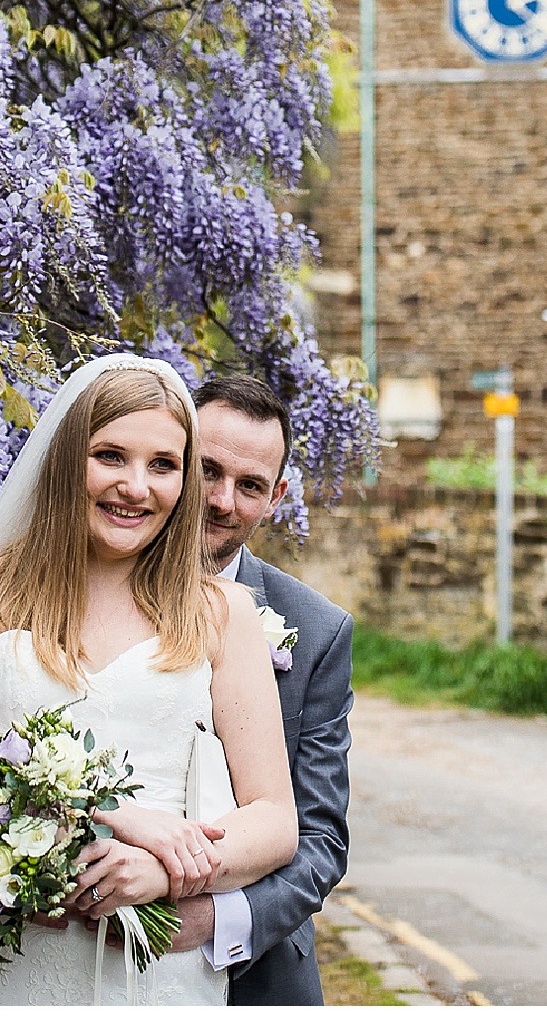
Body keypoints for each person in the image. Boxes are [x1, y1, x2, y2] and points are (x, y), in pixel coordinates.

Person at [0, 354, 297, 1006]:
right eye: (110, 456)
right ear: (64, 459)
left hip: (153, 974)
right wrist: (108, 819)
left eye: (163, 465)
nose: (136, 486)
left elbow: (274, 821)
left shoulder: (223, 613)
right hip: (0, 963)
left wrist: (165, 872)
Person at [166, 372, 355, 1005]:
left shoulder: (317, 629)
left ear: (276, 497)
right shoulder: (87, 590)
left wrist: (214, 921)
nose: (223, 501)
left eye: (250, 486)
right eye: (207, 471)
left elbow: (320, 840)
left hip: (257, 977)